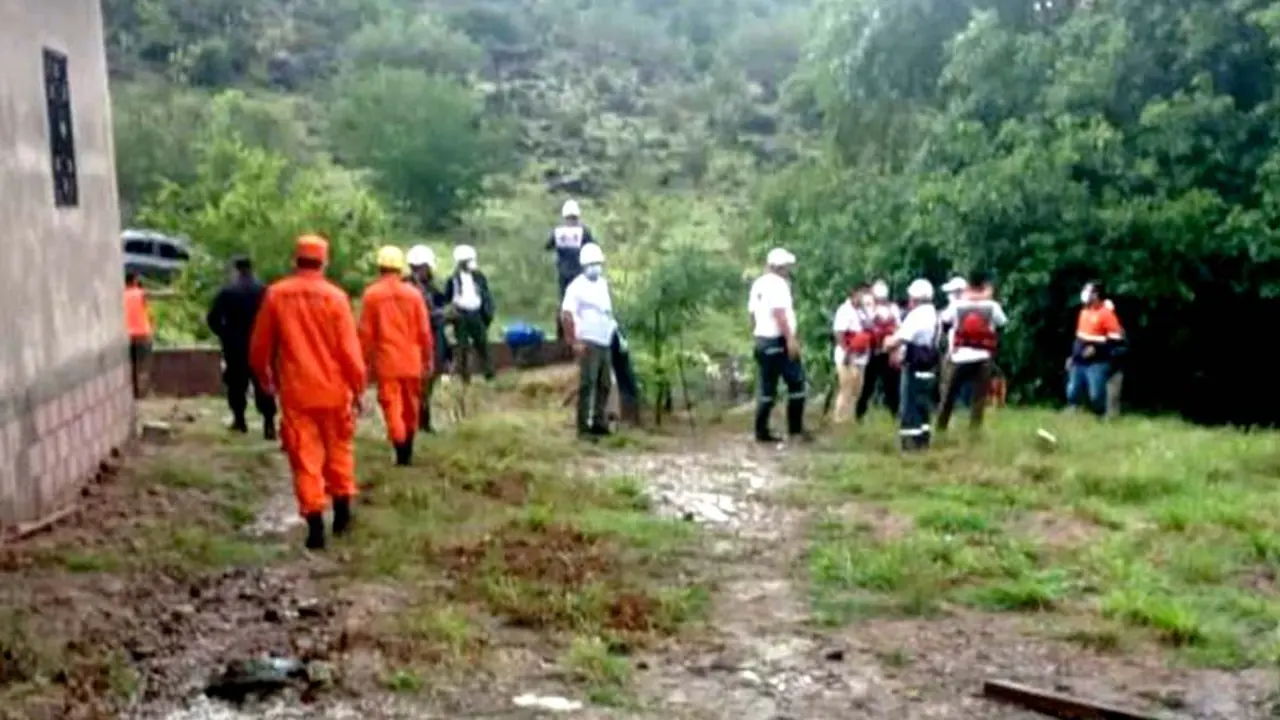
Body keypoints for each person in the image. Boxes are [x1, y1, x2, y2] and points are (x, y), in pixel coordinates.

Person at [249, 235, 366, 551]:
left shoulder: (276, 294)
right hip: (334, 391)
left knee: (305, 457)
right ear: (324, 262)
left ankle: (315, 524)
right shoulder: (336, 298)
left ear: (295, 261)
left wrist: (264, 377)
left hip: (297, 392)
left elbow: (260, 346)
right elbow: (350, 351)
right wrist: (358, 388)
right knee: (339, 450)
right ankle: (342, 513)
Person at [359, 246, 434, 466]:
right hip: (412, 361)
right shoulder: (414, 294)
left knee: (392, 406)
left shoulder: (372, 295)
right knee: (411, 406)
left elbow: (365, 334)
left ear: (380, 267)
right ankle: (407, 451)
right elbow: (424, 331)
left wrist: (362, 363)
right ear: (401, 268)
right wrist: (428, 359)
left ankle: (400, 445)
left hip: (387, 362)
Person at [206, 256, 277, 439]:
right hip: (260, 343)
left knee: (236, 383)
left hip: (235, 345)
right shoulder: (264, 291)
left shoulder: (227, 291)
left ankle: (240, 420)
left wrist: (224, 334)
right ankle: (269, 422)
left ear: (236, 270)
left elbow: (212, 318)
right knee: (262, 382)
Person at [748, 248, 808, 443]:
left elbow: (752, 315)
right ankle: (795, 430)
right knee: (796, 383)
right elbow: (779, 313)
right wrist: (790, 339)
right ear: (781, 267)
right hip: (778, 340)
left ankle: (761, 431)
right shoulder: (779, 285)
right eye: (787, 266)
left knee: (767, 388)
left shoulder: (758, 284)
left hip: (761, 340)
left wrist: (755, 335)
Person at [937, 271, 1006, 431]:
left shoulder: (957, 304)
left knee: (948, 395)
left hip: (960, 356)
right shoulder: (992, 306)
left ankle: (941, 426)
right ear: (984, 285)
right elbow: (1002, 324)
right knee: (978, 399)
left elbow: (945, 322)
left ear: (968, 285)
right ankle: (974, 430)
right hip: (983, 356)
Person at [561, 244, 616, 438]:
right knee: (587, 384)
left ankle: (599, 422)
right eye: (591, 264)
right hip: (588, 340)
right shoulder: (576, 287)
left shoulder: (603, 284)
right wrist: (573, 342)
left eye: (598, 264)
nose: (595, 267)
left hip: (604, 340)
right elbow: (567, 315)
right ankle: (583, 427)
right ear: (584, 265)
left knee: (605, 383)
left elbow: (608, 311)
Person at [884, 279, 940, 451]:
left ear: (915, 298)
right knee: (923, 405)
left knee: (910, 405)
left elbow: (900, 338)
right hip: (929, 365)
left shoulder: (917, 315)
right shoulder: (934, 313)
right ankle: (923, 441)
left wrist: (887, 342)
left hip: (915, 365)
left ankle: (910, 444)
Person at [405, 244, 450, 433]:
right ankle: (419, 421)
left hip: (430, 337)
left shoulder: (427, 287)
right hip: (421, 339)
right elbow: (423, 316)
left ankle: (421, 420)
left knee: (428, 381)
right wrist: (445, 315)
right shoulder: (412, 289)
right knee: (423, 381)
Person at [1066, 280, 1124, 416]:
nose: (1084, 293)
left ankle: (1101, 415)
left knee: (1096, 395)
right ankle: (1073, 410)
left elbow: (1117, 342)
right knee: (1073, 390)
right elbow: (1079, 338)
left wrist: (1097, 350)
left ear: (1096, 294)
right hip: (1079, 361)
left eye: (1088, 290)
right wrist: (1072, 357)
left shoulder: (1106, 314)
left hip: (1097, 362)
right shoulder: (1084, 312)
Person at [443, 245, 495, 383]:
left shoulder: (479, 277)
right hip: (460, 315)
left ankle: (489, 374)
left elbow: (485, 295)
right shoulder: (453, 279)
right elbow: (447, 298)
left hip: (476, 314)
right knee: (463, 347)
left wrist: (487, 313)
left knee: (482, 344)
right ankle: (465, 378)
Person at [546, 199, 597, 339]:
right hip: (580, 274)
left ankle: (562, 336)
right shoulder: (584, 231)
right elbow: (593, 247)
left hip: (564, 274)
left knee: (565, 305)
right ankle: (580, 335)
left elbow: (548, 246)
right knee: (581, 305)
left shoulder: (558, 232)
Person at [855, 279, 901, 421]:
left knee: (890, 386)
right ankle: (860, 413)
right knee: (869, 386)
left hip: (887, 352)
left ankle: (894, 414)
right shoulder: (871, 308)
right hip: (875, 351)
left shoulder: (891, 309)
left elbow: (897, 328)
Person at [830, 286, 874, 424]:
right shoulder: (844, 310)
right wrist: (846, 351)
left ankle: (852, 418)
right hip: (848, 354)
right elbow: (839, 333)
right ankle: (840, 418)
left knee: (858, 389)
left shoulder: (863, 311)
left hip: (861, 354)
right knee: (846, 387)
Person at [124, 272, 154, 399]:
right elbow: (149, 313)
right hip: (142, 334)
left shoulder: (121, 294)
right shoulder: (141, 294)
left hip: (127, 334)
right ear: (135, 281)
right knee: (142, 365)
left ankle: (133, 392)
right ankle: (142, 393)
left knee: (131, 365)